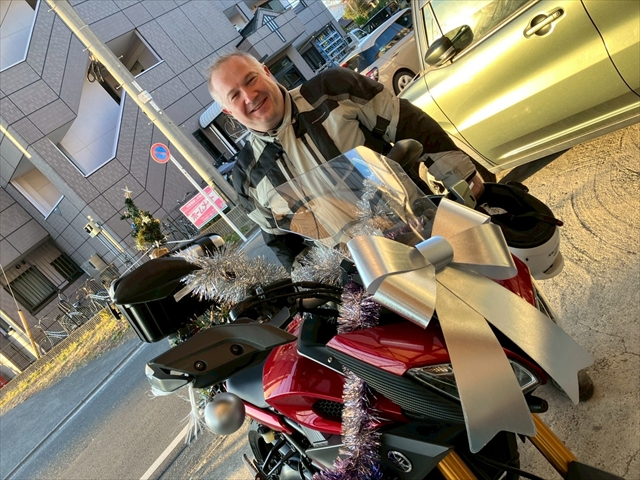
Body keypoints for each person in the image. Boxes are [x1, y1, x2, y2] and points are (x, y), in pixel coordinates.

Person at [206, 51, 483, 270]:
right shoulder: (248, 176)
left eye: (251, 79)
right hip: (364, 280)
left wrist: (464, 178)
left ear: (266, 72)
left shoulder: (332, 90)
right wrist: (316, 285)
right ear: (228, 111)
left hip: (425, 232)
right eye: (234, 95)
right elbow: (282, 241)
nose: (249, 96)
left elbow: (408, 123)